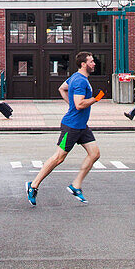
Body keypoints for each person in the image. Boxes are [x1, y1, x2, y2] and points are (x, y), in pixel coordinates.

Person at [26, 51, 102, 206]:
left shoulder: (75, 77)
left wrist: (71, 105)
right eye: (91, 61)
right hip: (72, 127)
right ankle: (33, 185)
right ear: (83, 64)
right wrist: (96, 98)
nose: (94, 64)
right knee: (58, 158)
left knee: (94, 154)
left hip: (81, 126)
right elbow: (80, 104)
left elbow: (62, 88)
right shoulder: (80, 81)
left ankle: (76, 185)